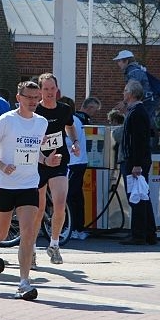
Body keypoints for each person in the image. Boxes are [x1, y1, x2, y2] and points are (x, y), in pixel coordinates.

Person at [0, 81, 57, 300]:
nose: (33, 101)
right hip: (4, 185)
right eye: (29, 97)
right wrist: (2, 166)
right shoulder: (6, 120)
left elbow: (33, 151)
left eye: (36, 97)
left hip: (29, 184)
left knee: (28, 232)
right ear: (19, 98)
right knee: (0, 233)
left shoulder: (41, 123)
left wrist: (46, 160)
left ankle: (24, 283)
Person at [34, 73, 80, 264]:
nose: (50, 92)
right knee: (38, 208)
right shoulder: (35, 110)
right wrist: (39, 141)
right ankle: (31, 249)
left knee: (60, 204)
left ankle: (54, 244)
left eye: (52, 88)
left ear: (57, 89)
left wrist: (75, 142)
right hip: (37, 163)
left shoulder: (64, 109)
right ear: (40, 91)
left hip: (59, 161)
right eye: (46, 89)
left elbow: (70, 126)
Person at [119, 80, 157, 246]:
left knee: (136, 198)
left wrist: (137, 164)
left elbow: (139, 140)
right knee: (142, 196)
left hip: (135, 163)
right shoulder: (137, 111)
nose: (123, 93)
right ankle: (149, 233)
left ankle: (139, 234)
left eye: (125, 90)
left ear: (131, 94)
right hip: (137, 161)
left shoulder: (137, 113)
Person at [59, 96, 89, 240]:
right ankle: (78, 228)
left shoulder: (70, 121)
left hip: (73, 162)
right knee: (76, 196)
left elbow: (66, 141)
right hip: (79, 161)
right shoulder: (77, 120)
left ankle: (69, 227)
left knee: (68, 197)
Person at [112, 50, 159, 117]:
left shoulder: (133, 72)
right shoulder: (136, 69)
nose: (118, 63)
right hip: (148, 101)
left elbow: (132, 89)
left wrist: (124, 102)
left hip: (146, 102)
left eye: (119, 61)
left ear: (126, 61)